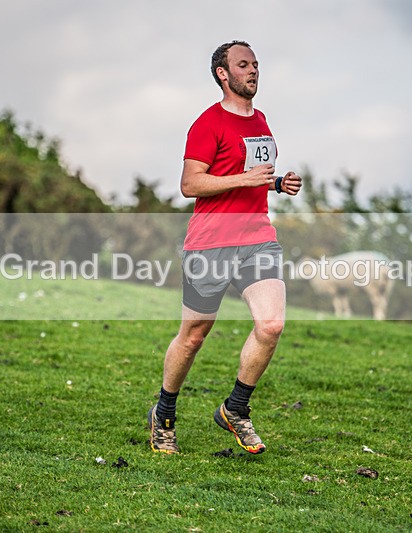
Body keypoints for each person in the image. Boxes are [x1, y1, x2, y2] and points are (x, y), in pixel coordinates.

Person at [147, 40, 302, 455]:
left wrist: (274, 184)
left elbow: (252, 175)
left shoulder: (262, 120)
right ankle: (163, 412)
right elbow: (190, 184)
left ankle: (236, 408)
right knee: (194, 336)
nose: (253, 70)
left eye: (255, 64)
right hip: (210, 243)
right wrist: (246, 179)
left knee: (271, 325)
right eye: (243, 64)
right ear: (222, 73)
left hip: (257, 239)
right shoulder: (207, 123)